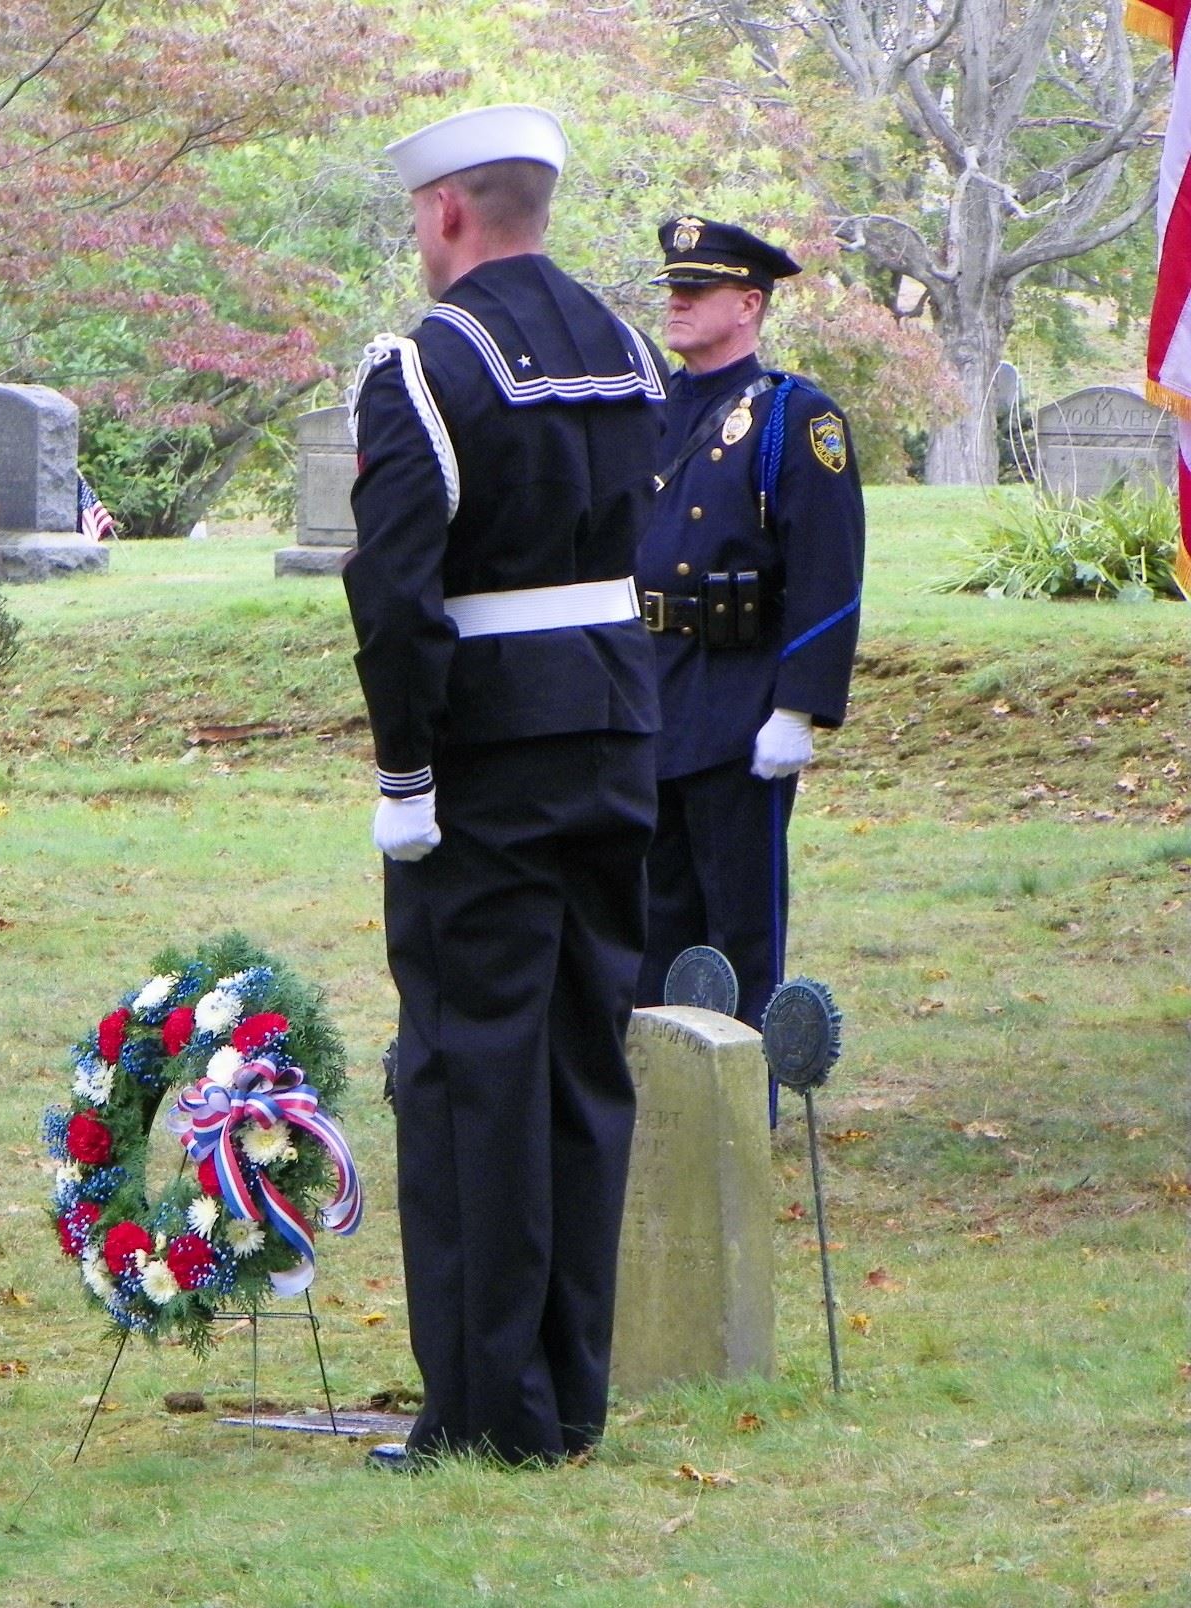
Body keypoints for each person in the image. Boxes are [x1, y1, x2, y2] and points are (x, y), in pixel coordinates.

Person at [341, 105, 666, 1469]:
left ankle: (484, 1410)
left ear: (451, 214)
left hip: (487, 759)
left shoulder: (424, 367)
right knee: (583, 1065)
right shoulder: (632, 348)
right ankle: (568, 1392)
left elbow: (397, 596)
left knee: (473, 1070)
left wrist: (406, 768)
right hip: (615, 735)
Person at [630, 218, 865, 1112]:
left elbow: (830, 573)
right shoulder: (649, 411)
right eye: (672, 289)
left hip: (740, 702)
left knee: (739, 921)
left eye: (699, 289)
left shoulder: (794, 419)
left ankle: (744, 1101)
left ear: (750, 304)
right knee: (654, 915)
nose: (678, 303)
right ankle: (661, 1098)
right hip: (652, 691)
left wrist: (799, 707)